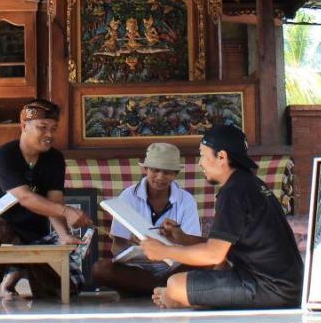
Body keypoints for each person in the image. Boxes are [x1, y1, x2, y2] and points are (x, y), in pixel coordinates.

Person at [143, 124, 303, 309]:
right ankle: (184, 298)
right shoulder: (249, 183)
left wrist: (163, 251)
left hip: (270, 288)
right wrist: (184, 239)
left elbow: (213, 254)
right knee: (210, 271)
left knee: (175, 285)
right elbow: (222, 246)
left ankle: (178, 298)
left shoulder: (233, 192)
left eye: (203, 155)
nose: (200, 163)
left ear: (221, 157)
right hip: (285, 286)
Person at [0, 99, 92, 300]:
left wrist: (64, 235)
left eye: (53, 128)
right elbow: (24, 197)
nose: (50, 134)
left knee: (65, 290)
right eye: (42, 127)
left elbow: (55, 202)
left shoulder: (55, 159)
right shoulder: (2, 156)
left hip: (33, 232)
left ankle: (17, 273)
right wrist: (67, 211)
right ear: (24, 126)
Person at [92, 142, 202, 297]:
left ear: (175, 174)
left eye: (167, 172)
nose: (160, 177)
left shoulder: (186, 200)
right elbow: (117, 247)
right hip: (138, 269)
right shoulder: (128, 196)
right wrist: (132, 246)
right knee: (101, 269)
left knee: (211, 261)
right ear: (146, 169)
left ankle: (146, 289)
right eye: (155, 170)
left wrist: (177, 237)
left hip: (174, 266)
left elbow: (194, 244)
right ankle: (164, 288)